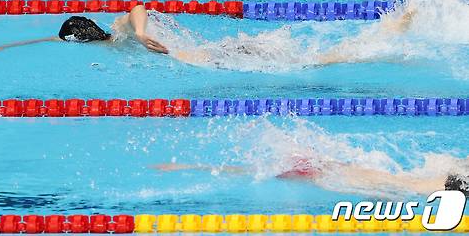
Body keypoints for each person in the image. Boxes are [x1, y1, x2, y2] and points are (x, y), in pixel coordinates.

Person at [0, 3, 416, 69]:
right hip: (210, 52)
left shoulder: (121, 33)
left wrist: (147, 35)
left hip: (206, 57)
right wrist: (11, 44)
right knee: (301, 58)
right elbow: (56, 39)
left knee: (308, 63)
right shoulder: (108, 37)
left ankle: (386, 38)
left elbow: (137, 8)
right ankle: (386, 35)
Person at [152, 157, 469, 197]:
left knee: (322, 171)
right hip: (431, 184)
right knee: (322, 171)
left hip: (422, 185)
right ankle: (197, 167)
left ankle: (197, 167)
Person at [0, 4, 169, 54]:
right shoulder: (104, 41)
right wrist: (4, 46)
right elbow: (48, 39)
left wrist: (140, 34)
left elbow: (138, 9)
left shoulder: (119, 32)